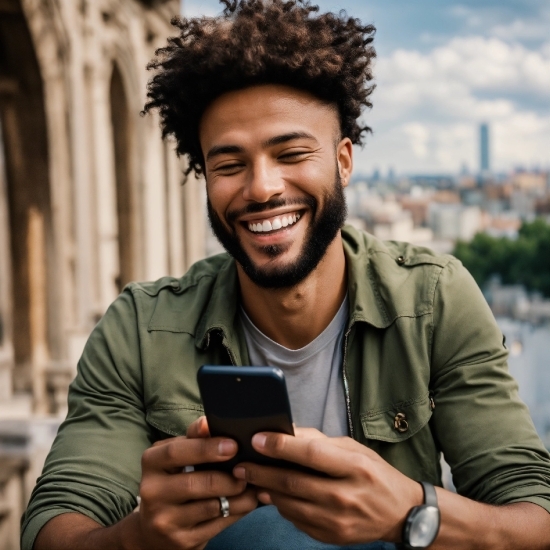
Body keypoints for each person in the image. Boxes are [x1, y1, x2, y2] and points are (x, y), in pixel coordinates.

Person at [22, 1, 550, 549]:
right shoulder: (139, 327)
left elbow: (535, 514)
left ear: (344, 161)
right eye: (229, 165)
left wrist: (412, 511)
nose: (262, 188)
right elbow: (56, 521)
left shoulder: (435, 299)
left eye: (292, 152)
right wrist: (137, 538)